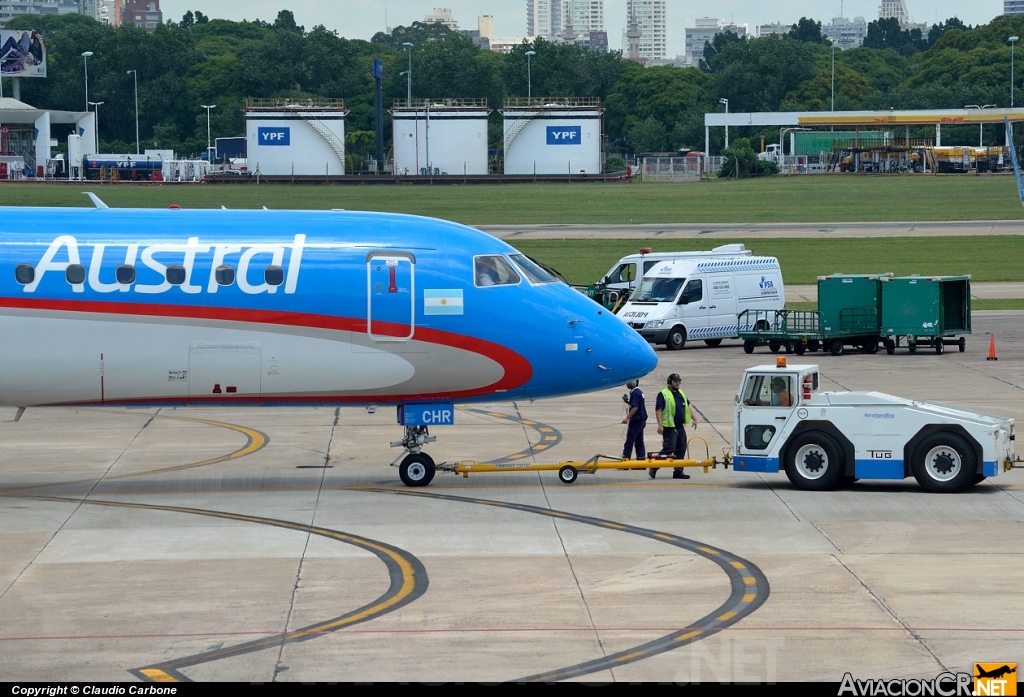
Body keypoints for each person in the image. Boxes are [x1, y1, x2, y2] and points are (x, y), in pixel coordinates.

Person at [650, 373, 697, 480]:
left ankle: (678, 471)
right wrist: (660, 425)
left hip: (680, 426)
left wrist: (695, 418)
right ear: (670, 382)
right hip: (669, 427)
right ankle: (654, 467)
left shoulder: (681, 393)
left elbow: (688, 406)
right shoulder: (663, 394)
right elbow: (658, 410)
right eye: (675, 381)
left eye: (679, 381)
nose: (677, 383)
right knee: (669, 448)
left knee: (681, 448)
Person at [621, 379, 647, 460]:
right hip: (641, 420)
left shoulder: (635, 393)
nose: (626, 383)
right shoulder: (638, 391)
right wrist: (627, 401)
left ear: (633, 382)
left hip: (636, 420)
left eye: (628, 381)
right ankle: (641, 458)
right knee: (639, 441)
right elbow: (635, 403)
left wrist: (627, 418)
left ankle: (626, 458)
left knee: (630, 440)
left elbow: (635, 407)